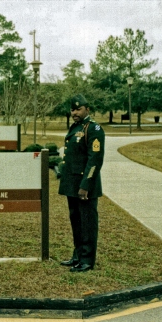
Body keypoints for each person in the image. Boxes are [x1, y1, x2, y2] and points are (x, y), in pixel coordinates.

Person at [58, 94, 105, 272]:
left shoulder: (94, 129)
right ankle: (77, 255)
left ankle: (87, 260)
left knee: (87, 223)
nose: (75, 112)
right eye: (72, 109)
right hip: (72, 185)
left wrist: (85, 185)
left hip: (85, 187)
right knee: (76, 221)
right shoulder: (75, 127)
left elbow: (95, 160)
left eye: (78, 109)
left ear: (87, 109)